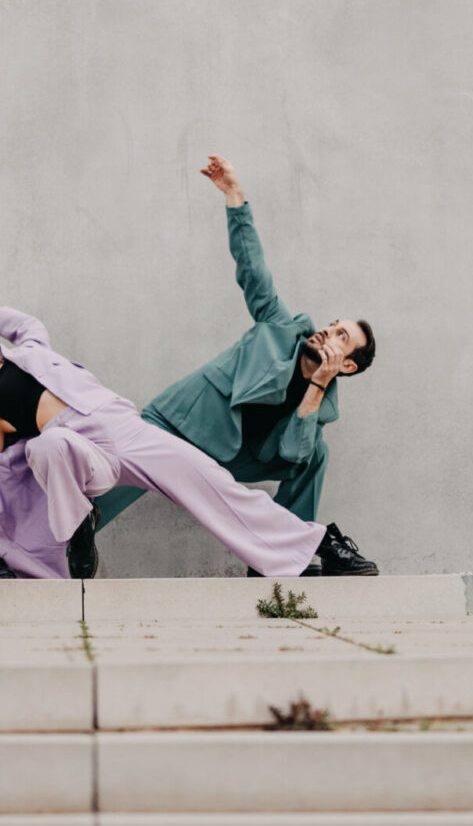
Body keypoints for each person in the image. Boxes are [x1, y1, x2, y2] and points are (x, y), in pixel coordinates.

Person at [0, 291, 355, 578]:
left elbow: (27, 325)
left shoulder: (27, 354)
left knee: (216, 485)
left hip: (123, 428)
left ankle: (314, 544)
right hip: (80, 454)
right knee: (48, 445)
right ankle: (76, 529)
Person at [89, 155, 379, 576]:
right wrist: (234, 197)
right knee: (126, 469)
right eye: (333, 325)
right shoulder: (283, 327)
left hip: (238, 457)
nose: (328, 332)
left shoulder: (325, 401)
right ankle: (51, 540)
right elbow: (253, 272)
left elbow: (291, 453)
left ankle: (273, 559)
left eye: (341, 337)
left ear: (348, 366)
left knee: (315, 454)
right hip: (183, 426)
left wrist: (317, 385)